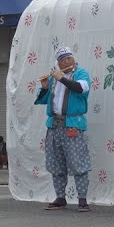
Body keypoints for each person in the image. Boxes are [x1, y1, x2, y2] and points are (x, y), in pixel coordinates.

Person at [35, 46, 93, 212]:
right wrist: (45, 87)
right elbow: (42, 100)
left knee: (78, 162)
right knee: (56, 162)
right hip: (54, 126)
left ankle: (82, 200)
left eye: (69, 58)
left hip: (72, 125)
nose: (67, 61)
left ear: (74, 59)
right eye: (63, 59)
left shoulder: (80, 73)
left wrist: (61, 78)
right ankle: (60, 197)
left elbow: (82, 89)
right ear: (58, 63)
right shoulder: (54, 79)